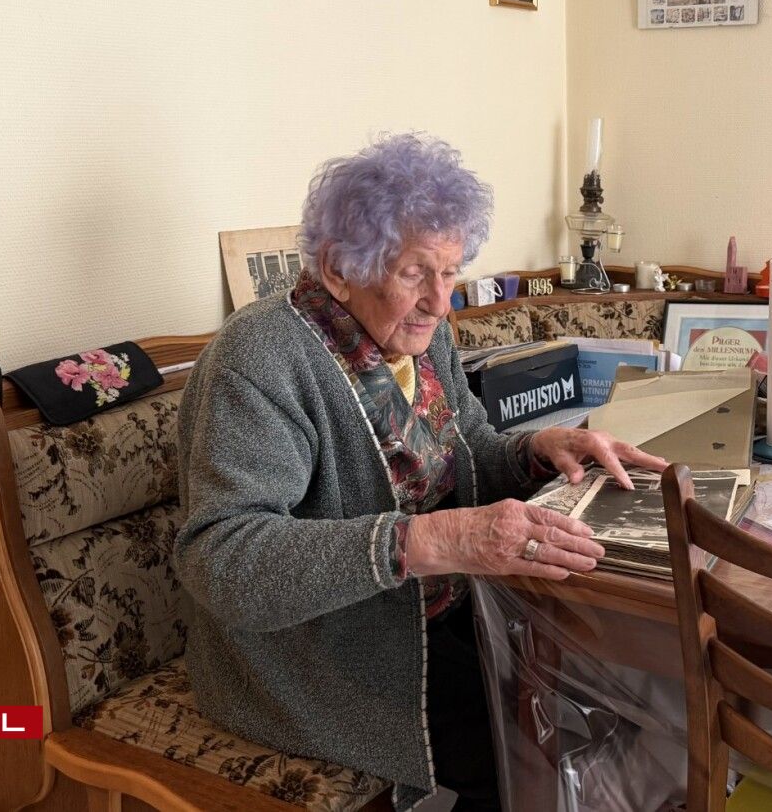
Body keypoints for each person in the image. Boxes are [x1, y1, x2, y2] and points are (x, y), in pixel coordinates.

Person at [175, 133, 666, 811]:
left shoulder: (421, 333)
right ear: (339, 268)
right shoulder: (259, 358)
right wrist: (427, 542)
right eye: (415, 273)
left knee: (618, 689)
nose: (442, 301)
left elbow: (467, 448)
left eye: (451, 272)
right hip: (317, 658)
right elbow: (222, 561)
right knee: (534, 748)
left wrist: (537, 450)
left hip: (448, 611)